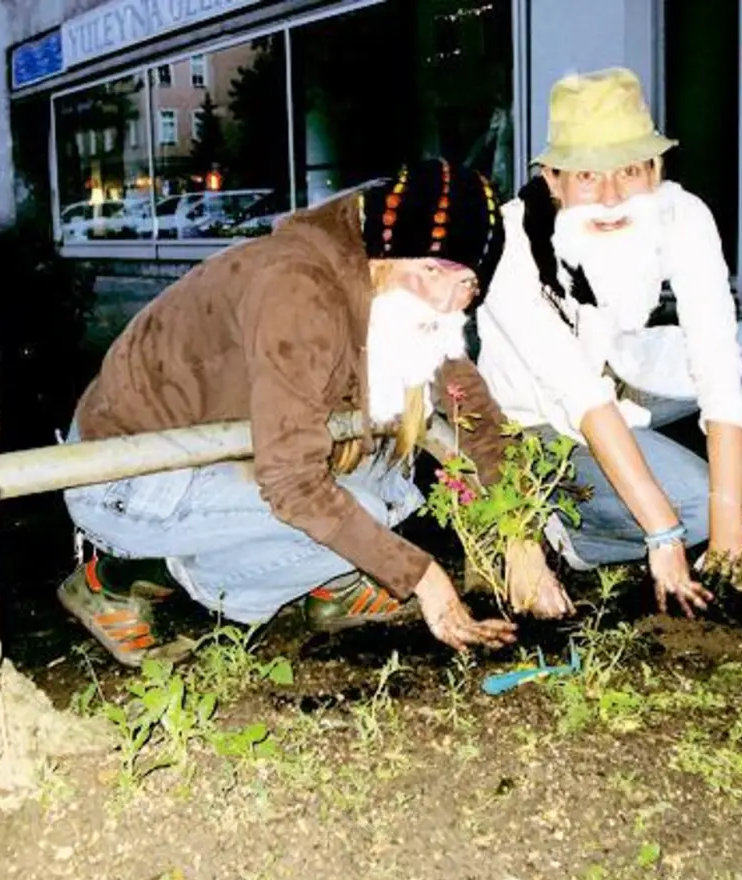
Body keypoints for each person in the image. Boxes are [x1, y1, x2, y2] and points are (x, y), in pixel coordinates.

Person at [57, 159, 571, 667]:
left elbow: (472, 410)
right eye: (432, 271)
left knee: (392, 488)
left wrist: (519, 536)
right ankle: (139, 585)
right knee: (370, 513)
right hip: (128, 476)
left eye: (467, 285)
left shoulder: (395, 283)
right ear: (389, 252)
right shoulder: (298, 288)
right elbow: (291, 481)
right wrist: (425, 580)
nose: (444, 299)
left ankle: (330, 584)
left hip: (223, 449)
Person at [475, 67, 742, 617]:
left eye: (629, 170)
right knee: (691, 509)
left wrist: (731, 531)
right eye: (587, 176)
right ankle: (576, 537)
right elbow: (579, 395)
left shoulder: (682, 214)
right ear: (554, 178)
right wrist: (663, 533)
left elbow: (718, 366)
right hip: (545, 420)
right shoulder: (513, 242)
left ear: (656, 170)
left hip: (626, 372)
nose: (609, 196)